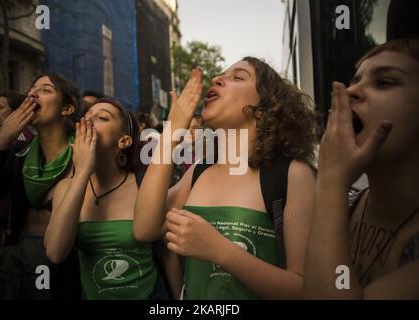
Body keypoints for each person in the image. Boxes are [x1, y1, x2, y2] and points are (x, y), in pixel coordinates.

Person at [134, 57, 317, 299]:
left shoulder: (292, 174)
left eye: (237, 77)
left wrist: (218, 250)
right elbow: (144, 229)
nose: (217, 79)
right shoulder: (199, 171)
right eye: (221, 75)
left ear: (264, 109)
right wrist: (171, 133)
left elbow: (304, 289)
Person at [304, 38, 419, 299]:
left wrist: (331, 181)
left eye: (384, 82)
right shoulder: (349, 207)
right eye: (354, 80)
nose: (351, 91)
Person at [0, 73, 83, 299]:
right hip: (20, 258)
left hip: (68, 262)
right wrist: (1, 140)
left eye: (45, 90)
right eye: (32, 89)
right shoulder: (20, 154)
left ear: (67, 109)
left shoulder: (83, 153)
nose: (32, 94)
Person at [45, 98, 169, 300]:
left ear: (124, 141)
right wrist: (83, 172)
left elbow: (168, 253)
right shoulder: (65, 187)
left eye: (102, 117)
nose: (89, 120)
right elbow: (55, 253)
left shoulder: (144, 186)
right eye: (86, 115)